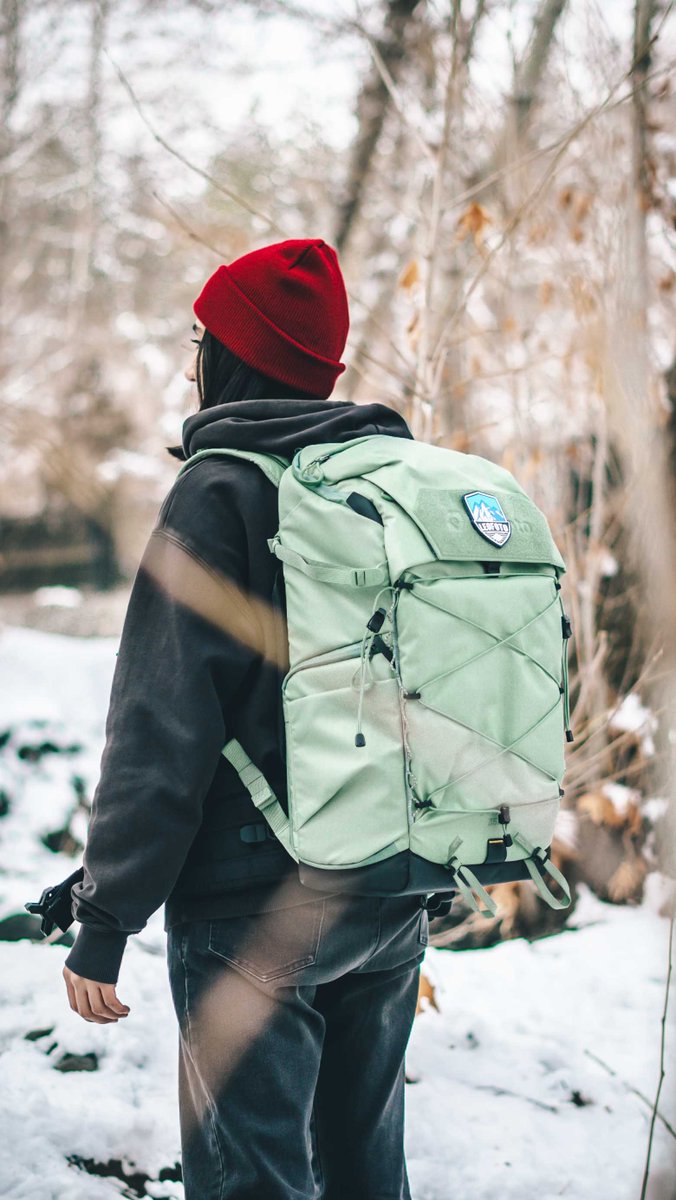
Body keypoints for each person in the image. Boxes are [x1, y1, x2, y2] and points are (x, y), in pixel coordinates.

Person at [61, 237, 429, 1200]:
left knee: (251, 1183)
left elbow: (159, 728)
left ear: (231, 357)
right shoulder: (387, 486)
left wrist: (107, 919)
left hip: (251, 912)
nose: (193, 361)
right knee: (364, 1172)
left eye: (202, 340)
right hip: (388, 891)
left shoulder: (220, 491)